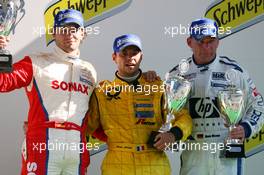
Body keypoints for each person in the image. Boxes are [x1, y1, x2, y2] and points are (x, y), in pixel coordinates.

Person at [0, 9, 103, 175]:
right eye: (62, 29)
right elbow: (3, 82)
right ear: (53, 34)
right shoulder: (35, 61)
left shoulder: (89, 70)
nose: (68, 34)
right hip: (42, 143)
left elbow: (94, 116)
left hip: (76, 148)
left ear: (82, 33)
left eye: (74, 29)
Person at [86, 34, 192, 175]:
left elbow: (184, 117)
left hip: (154, 165)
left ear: (141, 56)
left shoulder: (157, 86)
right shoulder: (102, 91)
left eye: (134, 53)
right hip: (117, 165)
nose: (130, 58)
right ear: (114, 57)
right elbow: (87, 126)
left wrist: (173, 134)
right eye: (124, 53)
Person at [168, 18, 264, 175]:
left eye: (211, 41)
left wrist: (246, 128)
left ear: (218, 41)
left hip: (226, 147)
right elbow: (168, 112)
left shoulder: (234, 71)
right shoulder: (177, 74)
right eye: (200, 41)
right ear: (189, 42)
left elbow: (257, 105)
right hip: (194, 150)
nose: (207, 46)